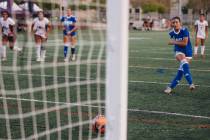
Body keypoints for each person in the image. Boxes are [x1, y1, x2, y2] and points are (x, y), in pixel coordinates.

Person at [164, 16, 195, 94]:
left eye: (176, 22)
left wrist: (174, 42)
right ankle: (191, 83)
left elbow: (185, 43)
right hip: (178, 51)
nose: (175, 24)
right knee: (183, 61)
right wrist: (172, 41)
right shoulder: (171, 32)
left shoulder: (184, 30)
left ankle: (170, 87)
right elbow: (171, 39)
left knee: (181, 71)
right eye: (173, 22)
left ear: (180, 23)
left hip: (188, 52)